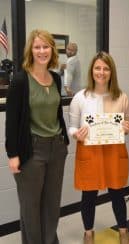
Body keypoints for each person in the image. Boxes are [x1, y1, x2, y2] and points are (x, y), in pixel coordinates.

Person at [5, 29, 69, 244]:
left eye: (46, 46)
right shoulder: (20, 81)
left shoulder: (56, 79)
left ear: (52, 49)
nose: (42, 51)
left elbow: (57, 113)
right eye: (37, 47)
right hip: (32, 150)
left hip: (57, 148)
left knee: (51, 204)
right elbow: (12, 122)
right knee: (30, 207)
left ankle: (50, 241)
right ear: (30, 51)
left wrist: (64, 141)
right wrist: (13, 154)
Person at [68, 51, 129, 244]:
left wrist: (127, 128)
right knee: (88, 194)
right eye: (98, 68)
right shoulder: (80, 97)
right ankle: (88, 233)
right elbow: (72, 126)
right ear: (91, 71)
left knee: (117, 192)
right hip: (89, 150)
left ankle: (123, 231)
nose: (101, 72)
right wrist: (75, 134)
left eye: (106, 68)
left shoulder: (121, 97)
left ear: (111, 72)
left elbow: (127, 125)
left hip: (114, 150)